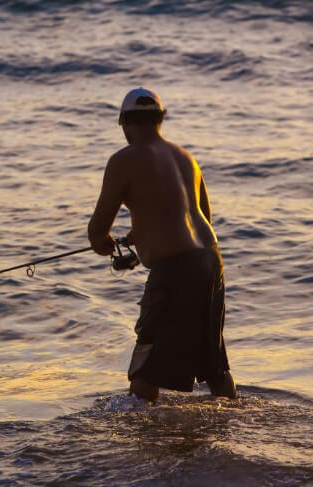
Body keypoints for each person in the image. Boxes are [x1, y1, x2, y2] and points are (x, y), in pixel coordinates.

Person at [87, 87, 237, 401]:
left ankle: (141, 442)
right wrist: (144, 233)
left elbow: (98, 233)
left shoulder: (123, 160)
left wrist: (107, 244)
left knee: (145, 372)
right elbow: (200, 217)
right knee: (214, 364)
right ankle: (231, 425)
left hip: (174, 271)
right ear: (160, 119)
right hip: (211, 262)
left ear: (123, 122)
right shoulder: (186, 158)